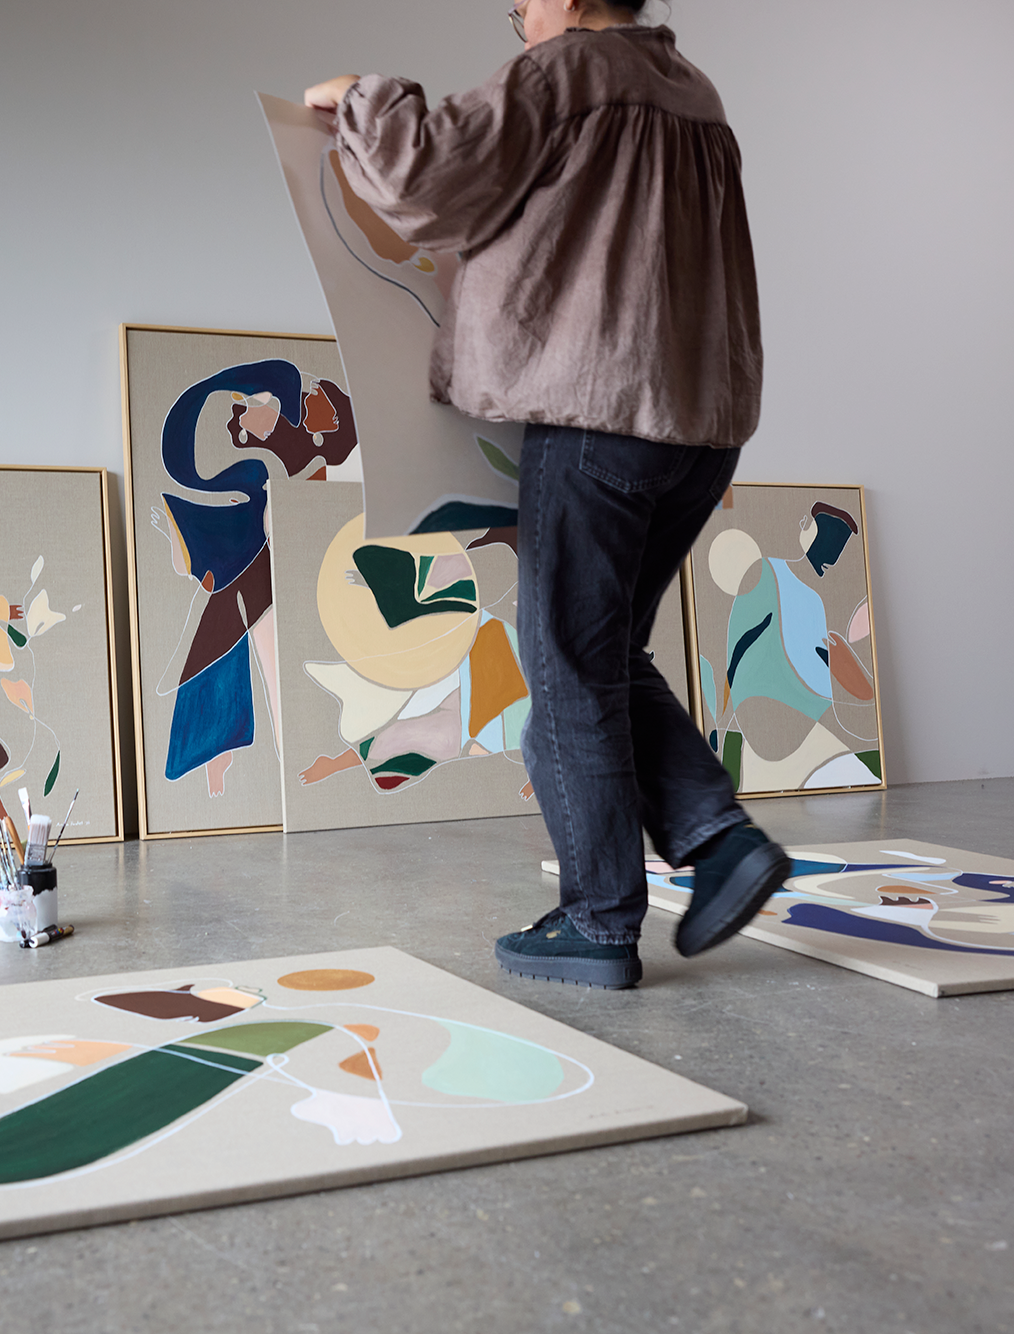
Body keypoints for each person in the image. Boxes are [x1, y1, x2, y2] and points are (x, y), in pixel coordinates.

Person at [305, 0, 791, 989]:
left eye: (519, 6)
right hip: (700, 425)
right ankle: (718, 840)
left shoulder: (567, 70)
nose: (519, 21)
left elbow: (424, 178)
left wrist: (359, 97)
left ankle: (599, 919)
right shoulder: (693, 94)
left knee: (567, 662)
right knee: (600, 651)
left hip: (597, 411)